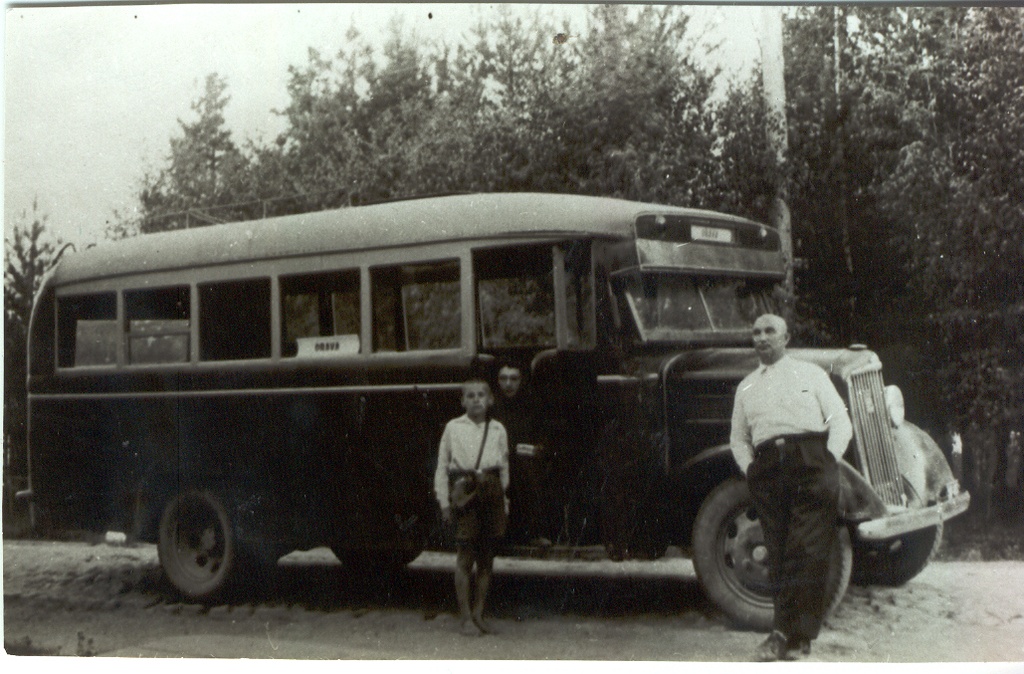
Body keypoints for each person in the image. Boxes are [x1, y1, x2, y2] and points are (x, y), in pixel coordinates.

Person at [729, 313, 853, 661]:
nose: (762, 337)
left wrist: (828, 458)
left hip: (811, 462)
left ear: (786, 338)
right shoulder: (746, 387)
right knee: (779, 551)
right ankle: (795, 638)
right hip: (768, 469)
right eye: (756, 332)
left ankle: (784, 634)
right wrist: (750, 469)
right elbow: (738, 438)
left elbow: (840, 421)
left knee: (807, 550)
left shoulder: (810, 374)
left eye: (770, 331)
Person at [434, 379, 510, 636]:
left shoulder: (498, 429)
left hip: (491, 492)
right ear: (462, 401)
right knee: (465, 557)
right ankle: (465, 616)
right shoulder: (453, 428)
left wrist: (503, 498)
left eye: (481, 395)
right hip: (465, 492)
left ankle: (479, 613)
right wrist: (444, 502)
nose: (476, 400)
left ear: (490, 400)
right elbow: (442, 467)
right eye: (470, 396)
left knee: (487, 559)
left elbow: (504, 465)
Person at [491, 364, 551, 547]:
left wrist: (537, 449)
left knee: (527, 470)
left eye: (514, 378)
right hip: (496, 461)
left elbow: (544, 437)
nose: (508, 384)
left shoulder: (533, 406)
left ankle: (533, 532)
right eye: (503, 378)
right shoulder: (491, 408)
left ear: (522, 380)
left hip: (524, 461)